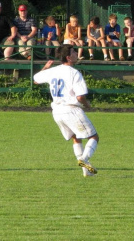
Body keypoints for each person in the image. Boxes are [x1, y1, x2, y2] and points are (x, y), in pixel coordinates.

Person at [33, 44, 100, 177]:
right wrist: (87, 105)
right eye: (74, 52)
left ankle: (85, 169)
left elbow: (35, 80)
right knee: (94, 137)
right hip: (71, 109)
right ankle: (84, 159)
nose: (76, 53)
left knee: (76, 137)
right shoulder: (74, 73)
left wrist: (45, 67)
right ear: (69, 57)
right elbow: (80, 96)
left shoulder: (53, 70)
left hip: (57, 112)